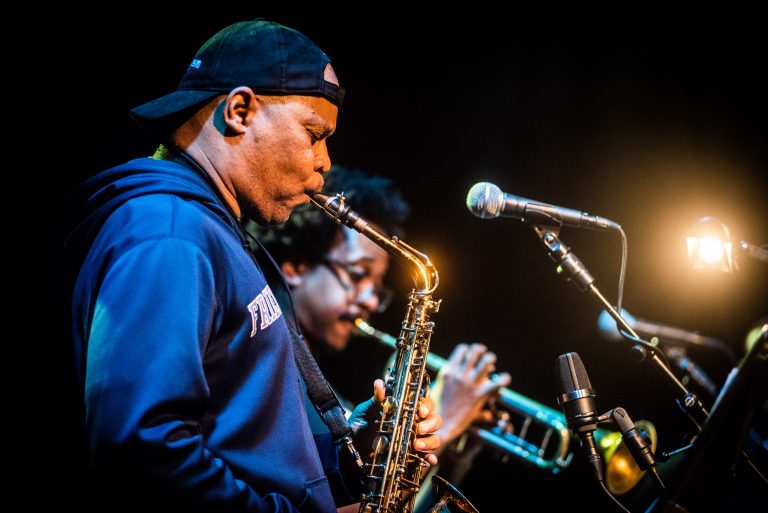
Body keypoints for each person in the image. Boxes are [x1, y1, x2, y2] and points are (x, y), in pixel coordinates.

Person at [63, 20, 442, 513]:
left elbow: (245, 442)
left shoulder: (215, 232)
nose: (325, 161)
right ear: (239, 110)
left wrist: (355, 447)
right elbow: (140, 451)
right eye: (314, 133)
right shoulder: (171, 232)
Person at [250, 166, 512, 486]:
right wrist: (447, 420)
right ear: (296, 266)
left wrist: (454, 455)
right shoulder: (270, 374)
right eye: (358, 275)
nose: (371, 302)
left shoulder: (335, 400)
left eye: (377, 288)